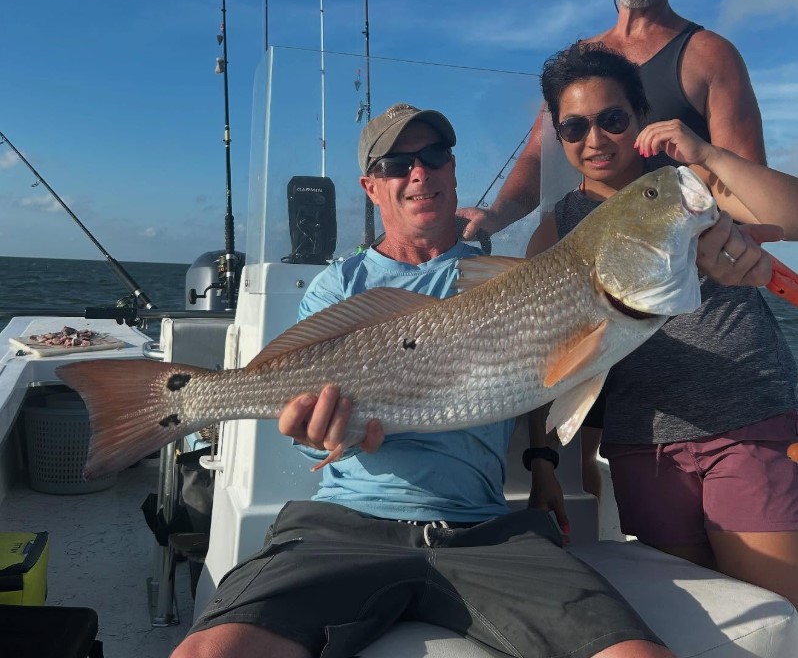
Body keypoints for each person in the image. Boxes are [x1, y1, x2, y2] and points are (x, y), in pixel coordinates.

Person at [173, 103, 678, 658]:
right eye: (396, 163)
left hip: (485, 531)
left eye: (434, 155)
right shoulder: (338, 286)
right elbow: (301, 411)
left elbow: (543, 370)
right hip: (344, 526)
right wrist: (311, 431)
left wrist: (543, 464)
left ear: (453, 170)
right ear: (371, 187)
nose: (420, 171)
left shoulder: (507, 278)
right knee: (208, 653)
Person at [459, 0, 768, 496]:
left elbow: (746, 181)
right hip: (592, 283)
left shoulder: (708, 55)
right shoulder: (581, 59)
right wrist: (491, 216)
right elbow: (536, 158)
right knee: (589, 457)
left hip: (678, 289)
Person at [526, 42, 798, 610]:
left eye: (613, 120)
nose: (595, 140)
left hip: (745, 419)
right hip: (644, 449)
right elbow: (542, 355)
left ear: (642, 117)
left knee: (779, 616)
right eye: (574, 127)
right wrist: (544, 460)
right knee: (701, 625)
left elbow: (791, 217)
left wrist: (711, 154)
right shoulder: (557, 229)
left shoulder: (690, 183)